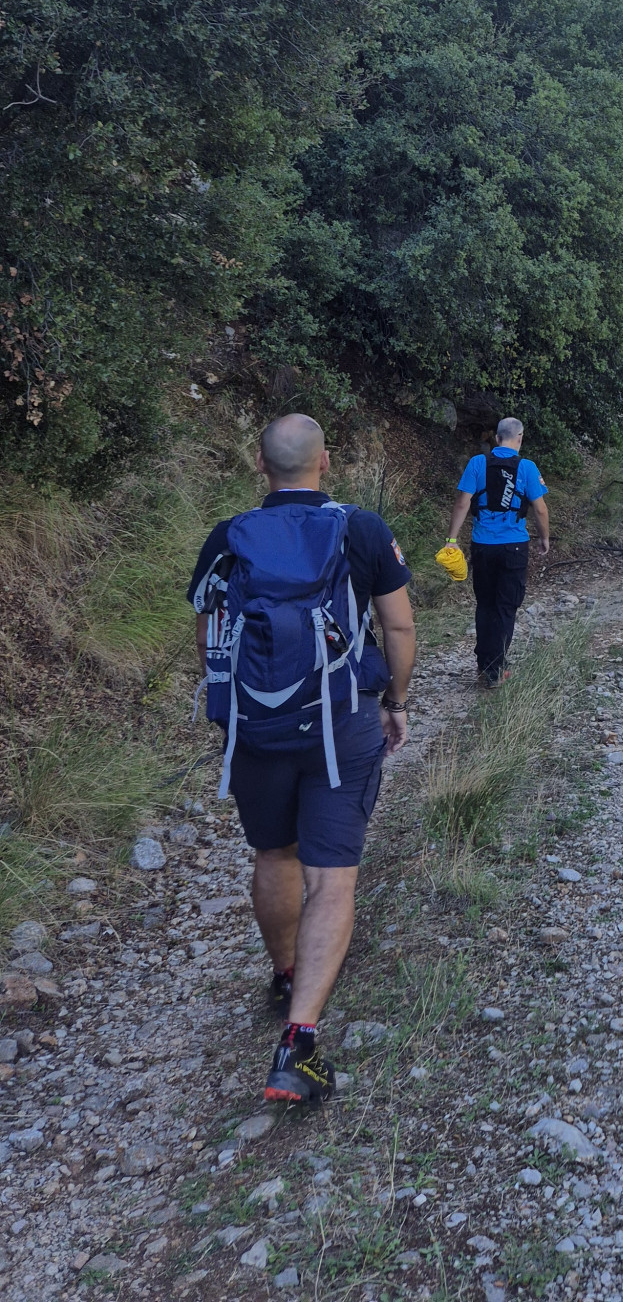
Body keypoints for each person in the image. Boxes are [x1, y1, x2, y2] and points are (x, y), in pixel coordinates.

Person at [188, 413, 416, 1106]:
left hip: (255, 726)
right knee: (333, 876)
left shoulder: (228, 538)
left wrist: (236, 711)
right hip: (342, 719)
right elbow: (400, 624)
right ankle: (299, 1043)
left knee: (274, 855)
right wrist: (396, 700)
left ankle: (286, 970)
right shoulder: (362, 529)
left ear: (262, 466)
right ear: (326, 462)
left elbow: (209, 636)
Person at [445, 417, 551, 688]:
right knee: (506, 606)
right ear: (520, 438)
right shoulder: (527, 467)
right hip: (514, 547)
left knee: (486, 604)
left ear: (497, 438)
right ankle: (496, 667)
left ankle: (484, 663)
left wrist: (451, 539)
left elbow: (462, 503)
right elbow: (539, 508)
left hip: (483, 546)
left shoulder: (477, 463)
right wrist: (544, 538)